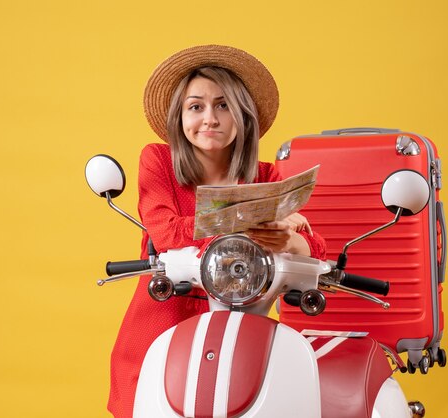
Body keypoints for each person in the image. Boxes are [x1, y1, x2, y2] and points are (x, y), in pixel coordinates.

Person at [107, 45, 327, 418]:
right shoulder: (157, 159)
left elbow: (318, 250)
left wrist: (290, 240)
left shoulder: (267, 176)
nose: (209, 118)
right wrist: (247, 218)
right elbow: (165, 232)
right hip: (163, 315)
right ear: (180, 116)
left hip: (243, 317)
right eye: (196, 107)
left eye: (223, 105)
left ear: (243, 114)